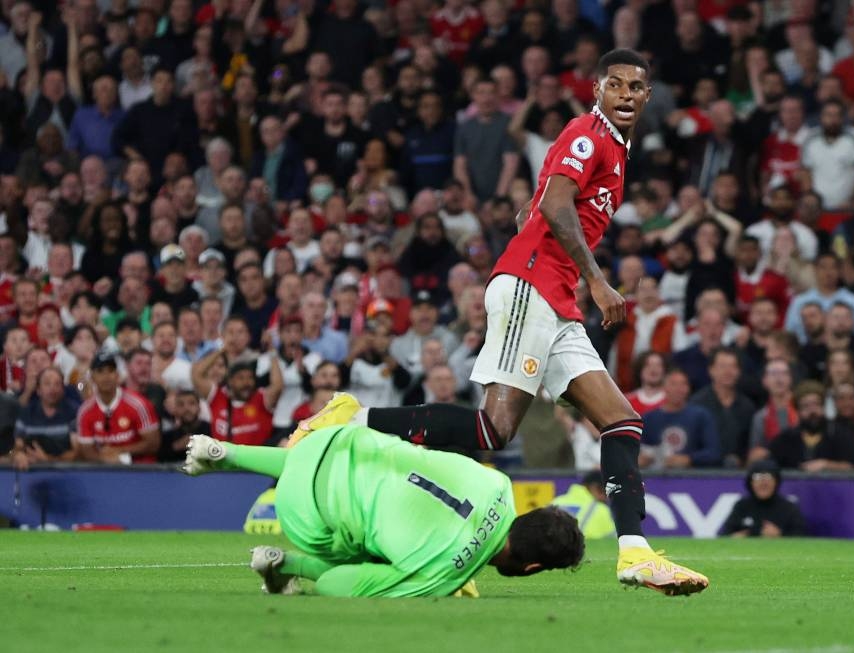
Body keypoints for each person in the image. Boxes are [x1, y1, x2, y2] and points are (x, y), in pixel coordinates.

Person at [287, 49, 709, 595]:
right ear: (597, 90)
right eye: (616, 85)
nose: (626, 94)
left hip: (555, 301)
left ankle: (635, 554)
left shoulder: (616, 149)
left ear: (648, 97)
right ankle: (352, 417)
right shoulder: (589, 134)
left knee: (622, 422)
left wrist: (537, 228)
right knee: (493, 429)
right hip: (532, 287)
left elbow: (535, 210)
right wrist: (598, 279)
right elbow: (557, 206)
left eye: (636, 87)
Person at [181, 424, 587, 597]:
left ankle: (224, 452)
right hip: (304, 514)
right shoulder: (441, 574)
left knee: (369, 468)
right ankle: (285, 564)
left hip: (332, 441)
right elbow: (338, 585)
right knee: (372, 554)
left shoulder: (499, 483)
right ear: (532, 568)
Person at [75, 352, 160, 464]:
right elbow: (86, 451)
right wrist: (106, 460)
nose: (106, 377)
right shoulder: (85, 411)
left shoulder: (138, 405)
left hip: (141, 470)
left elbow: (153, 444)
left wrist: (119, 451)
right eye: (100, 372)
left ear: (117, 375)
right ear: (92, 377)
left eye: (110, 370)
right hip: (103, 472)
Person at [767, 381, 854, 471]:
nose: (812, 411)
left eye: (816, 404)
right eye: (806, 406)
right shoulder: (785, 439)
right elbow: (771, 467)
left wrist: (827, 465)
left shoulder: (839, 434)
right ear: (798, 411)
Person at [719, 459, 808, 538]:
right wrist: (734, 537)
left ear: (776, 482)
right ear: (751, 483)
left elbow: (802, 537)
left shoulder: (788, 508)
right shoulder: (742, 506)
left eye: (768, 477)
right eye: (757, 477)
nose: (763, 483)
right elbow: (723, 535)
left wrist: (780, 535)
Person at [550, 470, 616, 540]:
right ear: (595, 488)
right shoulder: (601, 510)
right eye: (606, 492)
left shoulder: (554, 502)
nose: (606, 498)